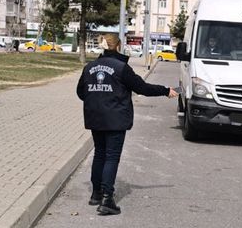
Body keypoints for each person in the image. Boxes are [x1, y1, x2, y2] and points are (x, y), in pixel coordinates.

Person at [76, 34, 178, 215]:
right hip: (115, 120)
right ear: (118, 47)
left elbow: (81, 92)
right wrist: (165, 91)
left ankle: (96, 194)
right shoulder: (121, 68)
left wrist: (98, 101)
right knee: (111, 157)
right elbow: (143, 88)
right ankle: (107, 199)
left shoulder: (89, 67)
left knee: (99, 154)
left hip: (95, 119)